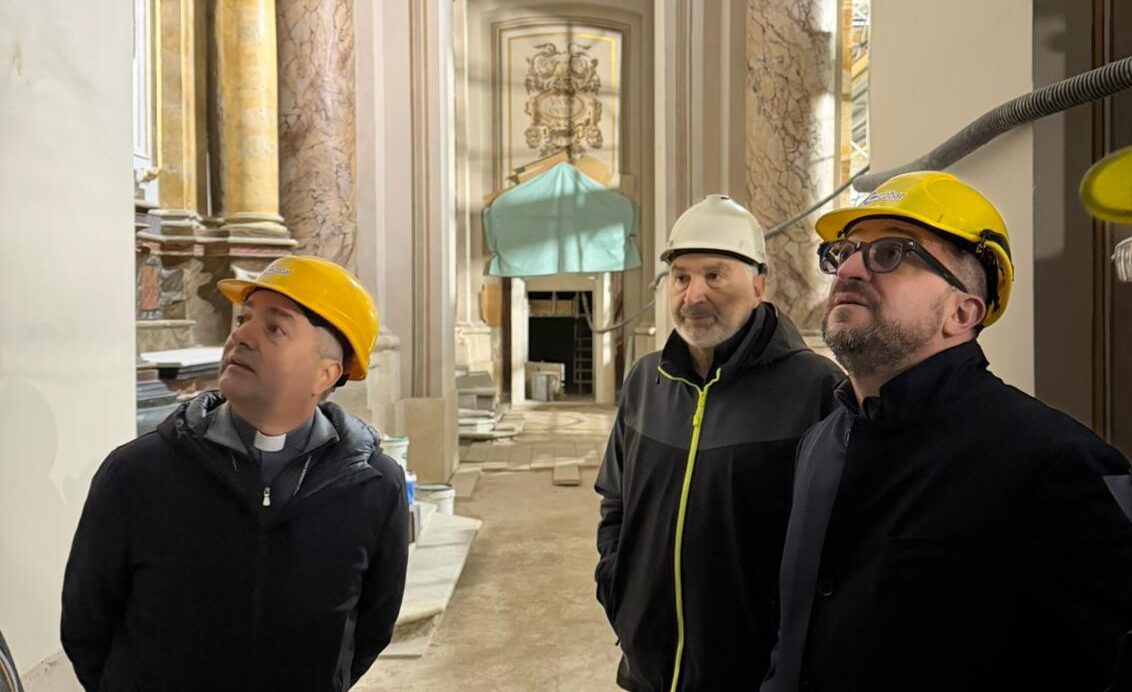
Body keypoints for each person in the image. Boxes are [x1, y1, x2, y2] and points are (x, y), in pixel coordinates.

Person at [762, 171, 1132, 692]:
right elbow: (794, 636)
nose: (846, 269)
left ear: (962, 312)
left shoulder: (1059, 465)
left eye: (890, 253)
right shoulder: (820, 444)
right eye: (842, 252)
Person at [62, 256, 409, 691]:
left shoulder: (373, 487)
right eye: (244, 319)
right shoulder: (136, 474)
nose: (240, 335)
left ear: (325, 374)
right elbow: (86, 626)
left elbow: (369, 630)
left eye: (274, 328)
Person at [595, 194, 844, 691]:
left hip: (751, 675)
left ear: (758, 284)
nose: (693, 296)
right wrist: (619, 591)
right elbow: (616, 502)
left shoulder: (817, 391)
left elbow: (836, 548)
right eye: (681, 277)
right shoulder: (646, 382)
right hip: (648, 668)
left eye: (714, 275)